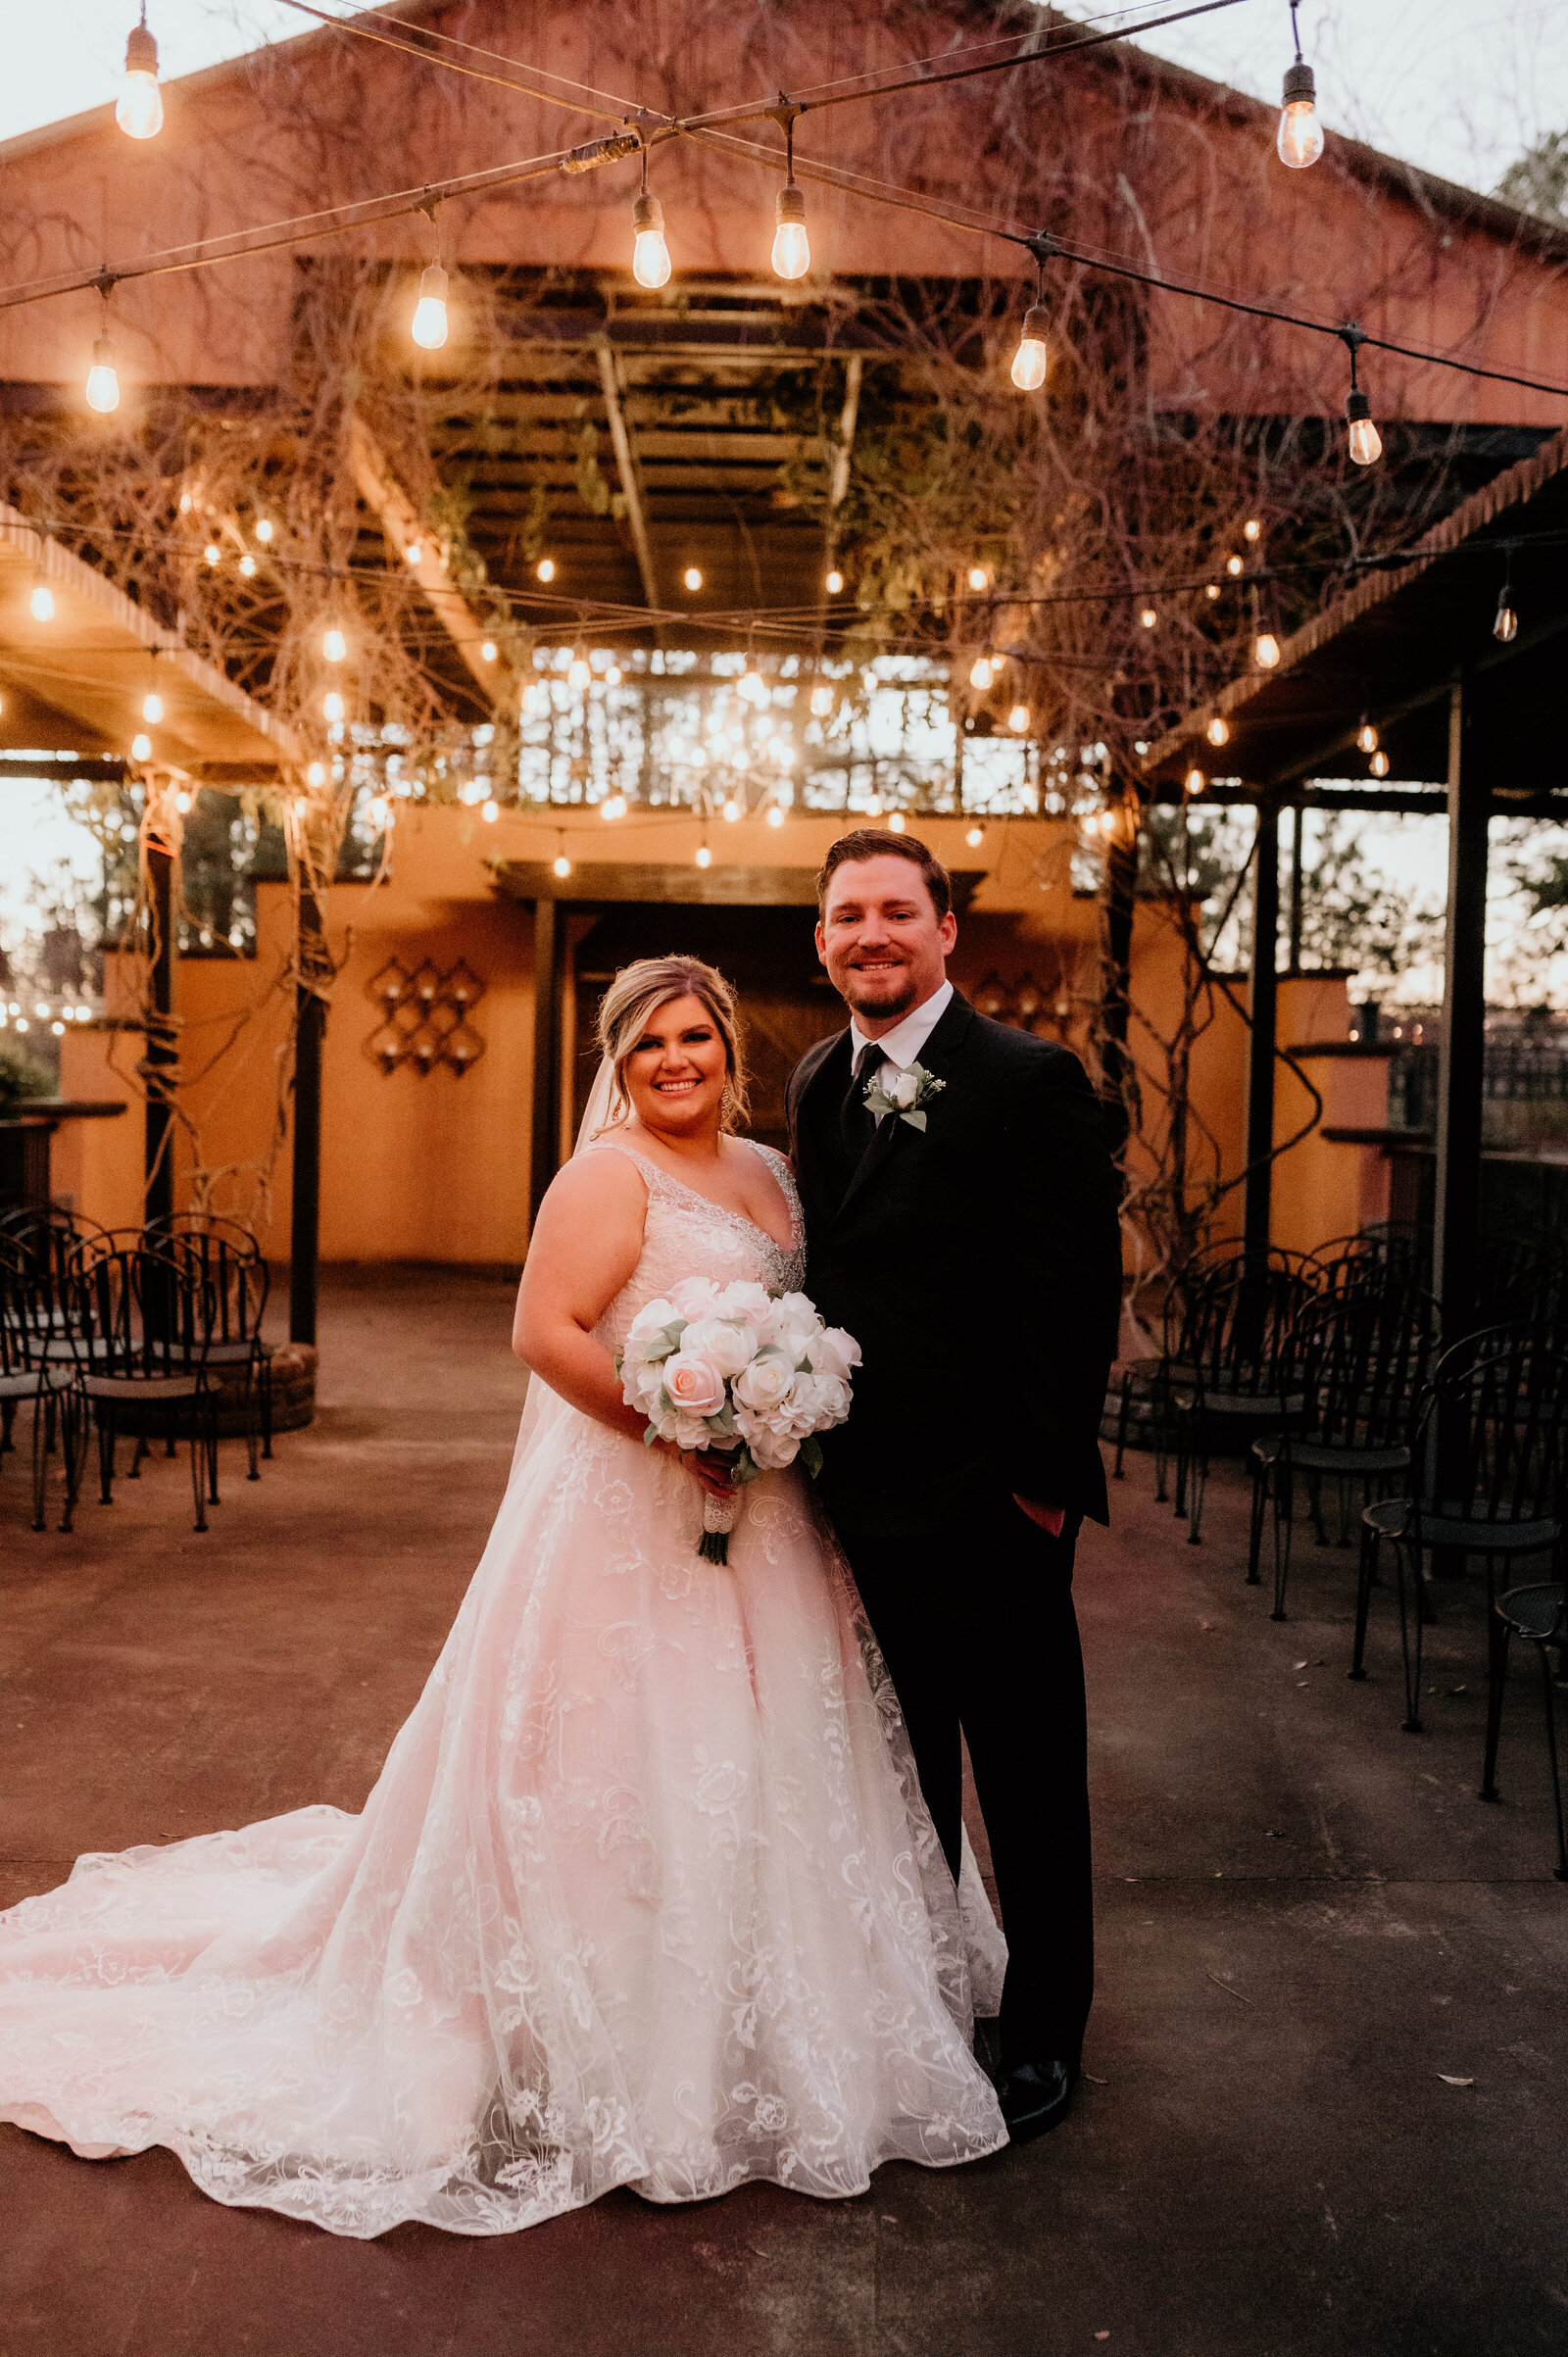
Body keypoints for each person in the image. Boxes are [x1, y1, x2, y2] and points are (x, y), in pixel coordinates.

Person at [0, 954, 1004, 2238]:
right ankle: (600, 2028)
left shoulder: (767, 1172)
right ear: (617, 1062)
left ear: (727, 1046)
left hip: (765, 1516)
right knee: (618, 1760)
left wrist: (776, 1398)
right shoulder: (605, 1173)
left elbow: (803, 1306)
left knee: (767, 1754)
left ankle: (754, 2011)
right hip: (634, 1505)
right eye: (649, 1046)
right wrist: (671, 1419)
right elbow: (547, 1331)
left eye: (695, 1037)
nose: (676, 1062)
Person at [787, 831, 1124, 2141]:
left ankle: (1046, 2033)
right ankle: (928, 1998)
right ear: (822, 940)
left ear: (944, 933)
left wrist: (1039, 1492)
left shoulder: (1027, 1080)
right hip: (857, 1506)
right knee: (901, 1777)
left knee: (1029, 1783)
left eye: (894, 912)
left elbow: (1073, 1299)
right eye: (846, 915)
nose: (869, 934)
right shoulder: (820, 1076)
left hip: (993, 1507)